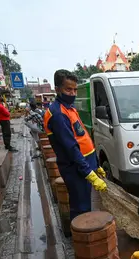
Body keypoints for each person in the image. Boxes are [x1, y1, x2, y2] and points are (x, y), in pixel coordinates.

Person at [43, 69, 107, 220]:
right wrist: (88, 173)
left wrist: (95, 164)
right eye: (68, 89)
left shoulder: (69, 109)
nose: (72, 93)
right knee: (80, 207)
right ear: (57, 89)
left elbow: (82, 137)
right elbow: (70, 148)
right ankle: (79, 239)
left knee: (85, 202)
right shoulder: (57, 114)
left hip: (84, 164)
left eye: (74, 90)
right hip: (75, 168)